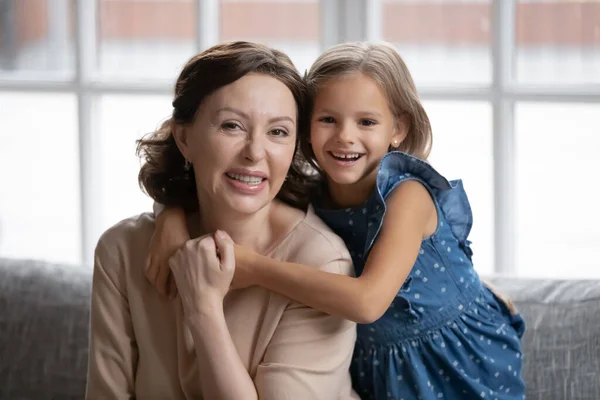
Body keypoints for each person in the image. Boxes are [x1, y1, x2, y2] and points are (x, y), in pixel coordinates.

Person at [149, 41, 526, 399]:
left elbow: (366, 302)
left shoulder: (408, 195)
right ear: (305, 129)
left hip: (457, 358)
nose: (345, 137)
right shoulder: (311, 191)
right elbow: (217, 186)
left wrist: (254, 267)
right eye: (328, 119)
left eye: (366, 122)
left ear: (398, 129)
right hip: (379, 364)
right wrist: (171, 217)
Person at [86, 41, 360, 400]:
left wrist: (203, 309)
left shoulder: (322, 264)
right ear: (184, 137)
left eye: (278, 132)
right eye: (232, 126)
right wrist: (168, 212)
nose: (254, 152)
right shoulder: (122, 251)